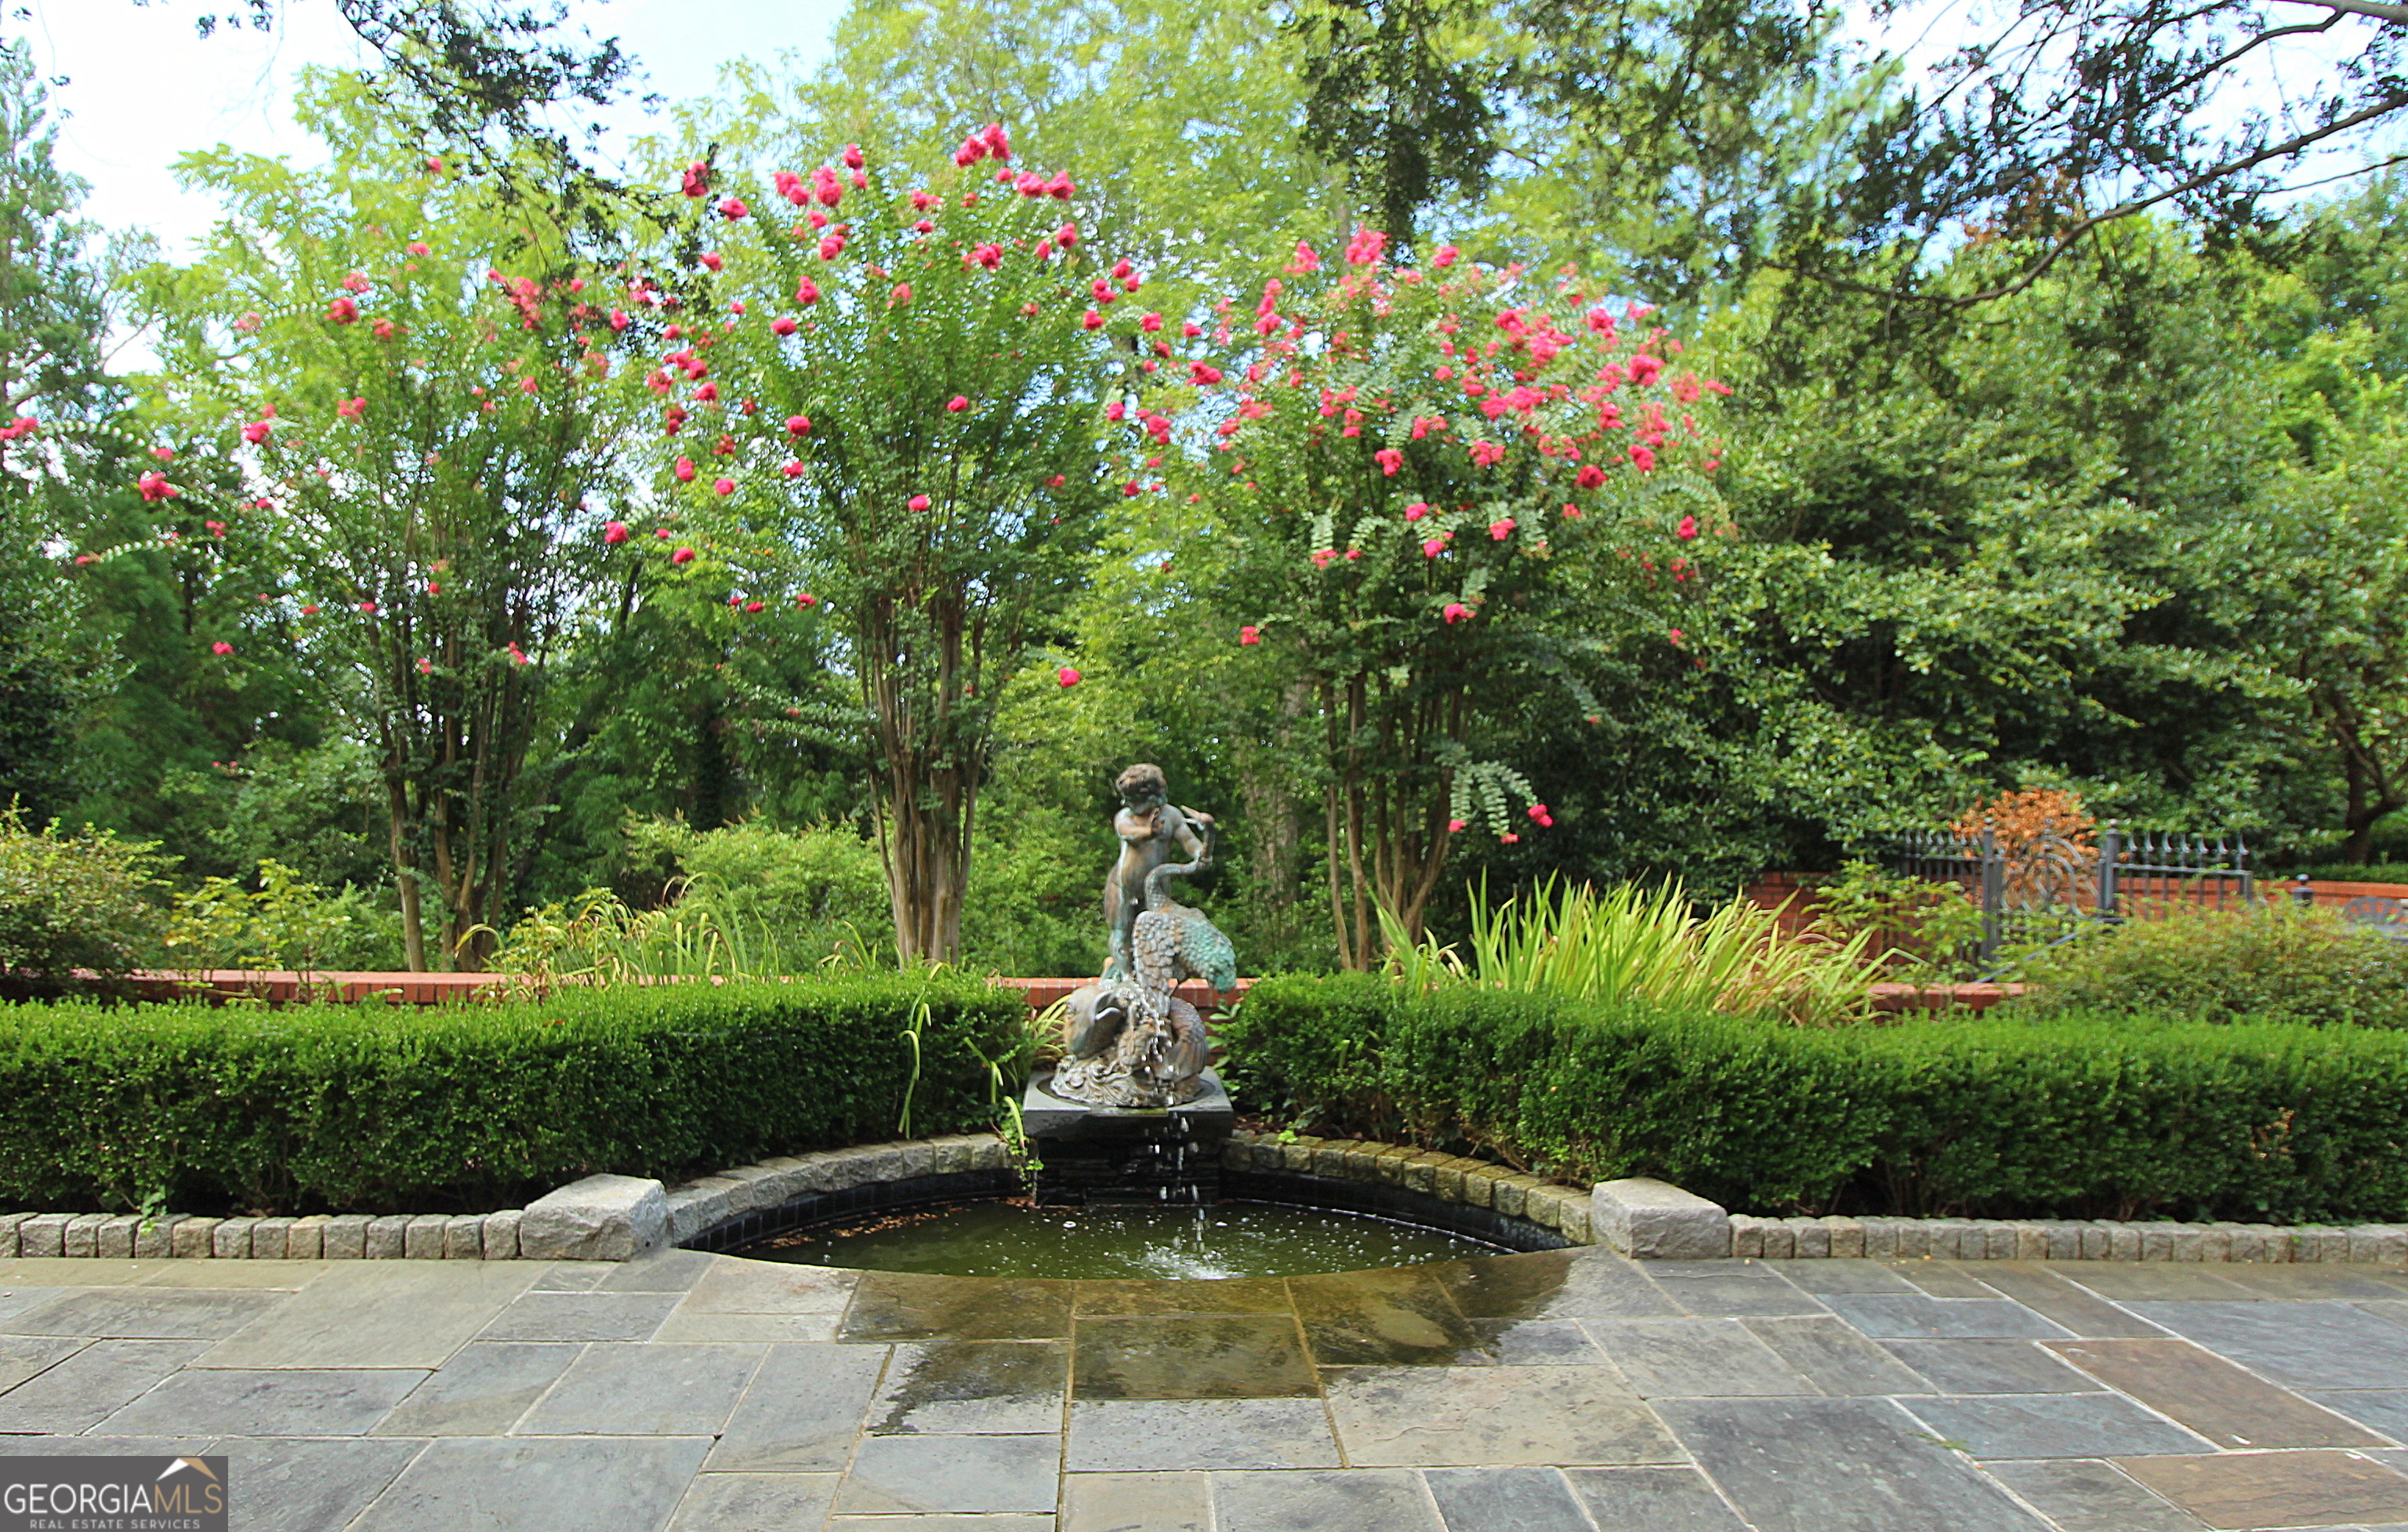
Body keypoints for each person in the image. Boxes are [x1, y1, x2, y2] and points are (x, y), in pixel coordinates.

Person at [1101, 763, 1210, 980]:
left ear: (1156, 796)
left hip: (1157, 889)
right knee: (1121, 933)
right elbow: (1127, 832)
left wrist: (1201, 853)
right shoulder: (1126, 816)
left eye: (1133, 800)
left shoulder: (1172, 816)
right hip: (1123, 887)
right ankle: (1126, 977)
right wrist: (1148, 832)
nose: (1126, 804)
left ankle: (1148, 979)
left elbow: (1189, 841)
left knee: (1155, 937)